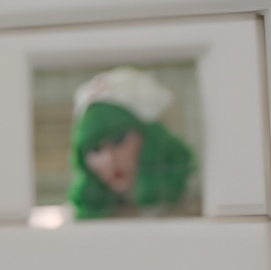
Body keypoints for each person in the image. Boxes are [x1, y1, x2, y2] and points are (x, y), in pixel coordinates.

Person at [67, 67, 197, 219]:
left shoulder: (197, 207)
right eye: (96, 149)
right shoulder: (79, 218)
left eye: (118, 139)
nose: (109, 160)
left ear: (153, 139)